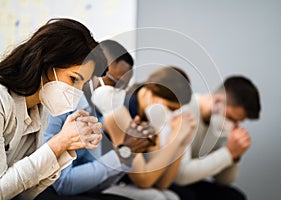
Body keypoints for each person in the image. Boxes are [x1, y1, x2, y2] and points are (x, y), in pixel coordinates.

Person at [36, 40, 156, 200]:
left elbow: (98, 184)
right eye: (114, 83)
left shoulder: (95, 113)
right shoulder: (59, 107)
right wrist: (119, 156)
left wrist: (127, 153)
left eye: (123, 87)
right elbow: (63, 183)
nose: (117, 91)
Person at [0, 18, 103, 200]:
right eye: (73, 79)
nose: (77, 91)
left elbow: (24, 193)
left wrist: (64, 149)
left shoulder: (40, 111)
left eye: (83, 84)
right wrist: (58, 144)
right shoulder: (2, 101)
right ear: (47, 62)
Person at [102, 66, 197, 200]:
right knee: (155, 197)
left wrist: (183, 142)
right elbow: (144, 180)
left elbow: (161, 183)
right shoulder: (120, 112)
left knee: (171, 196)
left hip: (125, 184)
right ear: (151, 94)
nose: (172, 114)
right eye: (170, 108)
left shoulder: (149, 117)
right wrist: (177, 137)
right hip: (102, 184)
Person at [170, 76, 261, 200]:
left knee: (234, 197)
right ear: (218, 101)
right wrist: (228, 153)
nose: (233, 126)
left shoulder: (219, 125)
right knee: (188, 196)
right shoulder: (185, 111)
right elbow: (180, 176)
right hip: (166, 179)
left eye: (238, 122)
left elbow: (223, 181)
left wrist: (235, 156)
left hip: (190, 181)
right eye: (231, 118)